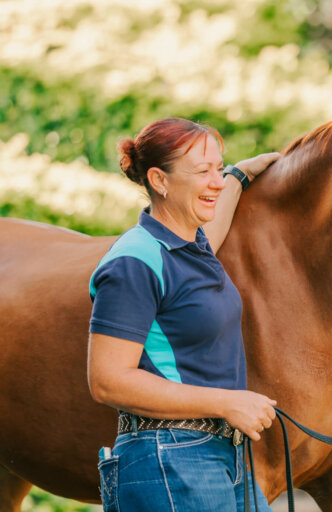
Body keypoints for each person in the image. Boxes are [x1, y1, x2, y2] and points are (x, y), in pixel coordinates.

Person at [87, 117, 280, 511]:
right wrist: (227, 403)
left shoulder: (191, 246)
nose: (217, 181)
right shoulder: (134, 262)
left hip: (223, 455)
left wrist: (241, 176)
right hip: (169, 458)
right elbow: (107, 380)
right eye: (203, 171)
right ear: (160, 181)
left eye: (219, 168)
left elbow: (214, 226)